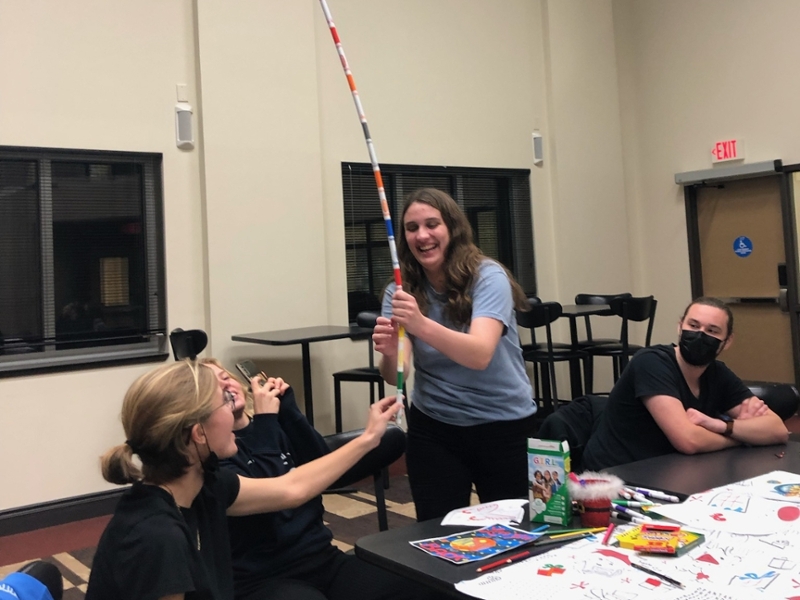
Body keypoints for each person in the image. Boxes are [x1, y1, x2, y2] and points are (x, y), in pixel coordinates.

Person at [85, 360, 400, 600]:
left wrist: (369, 438)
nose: (234, 403)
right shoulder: (157, 537)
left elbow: (292, 488)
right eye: (222, 402)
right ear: (199, 434)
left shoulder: (206, 485)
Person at [202, 359, 442, 600]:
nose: (226, 384)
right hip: (261, 578)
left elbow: (323, 467)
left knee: (422, 584)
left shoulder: (272, 426)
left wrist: (290, 411)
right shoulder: (215, 454)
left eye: (226, 376)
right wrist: (266, 420)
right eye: (214, 385)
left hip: (321, 558)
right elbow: (281, 494)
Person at [374, 187, 537, 521]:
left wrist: (418, 323)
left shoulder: (487, 277)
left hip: (503, 424)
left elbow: (479, 354)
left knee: (516, 531)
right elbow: (396, 374)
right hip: (435, 427)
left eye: (432, 224)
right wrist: (391, 354)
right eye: (412, 228)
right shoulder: (399, 291)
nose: (422, 235)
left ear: (452, 228)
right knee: (437, 532)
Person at [583, 297, 789, 471]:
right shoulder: (651, 362)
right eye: (693, 325)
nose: (700, 334)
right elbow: (688, 440)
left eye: (712, 330)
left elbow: (777, 430)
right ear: (680, 326)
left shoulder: (718, 373)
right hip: (616, 477)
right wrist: (744, 436)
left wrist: (720, 425)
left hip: (674, 471)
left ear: (727, 342)